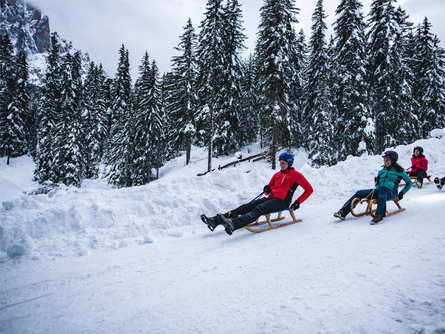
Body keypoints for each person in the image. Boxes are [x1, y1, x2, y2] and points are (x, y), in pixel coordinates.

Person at [201, 152, 313, 235]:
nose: (281, 165)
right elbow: (269, 186)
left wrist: (298, 202)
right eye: (280, 163)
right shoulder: (277, 175)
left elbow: (309, 189)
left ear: (290, 163)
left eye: (284, 163)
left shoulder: (296, 175)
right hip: (271, 199)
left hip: (282, 202)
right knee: (246, 206)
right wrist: (267, 188)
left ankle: (234, 224)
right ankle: (215, 221)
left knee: (259, 208)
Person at [333, 150, 412, 225]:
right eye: (384, 160)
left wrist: (401, 193)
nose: (385, 161)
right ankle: (343, 212)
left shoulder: (400, 171)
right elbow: (378, 184)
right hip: (380, 191)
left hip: (391, 192)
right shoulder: (382, 171)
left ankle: (379, 214)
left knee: (383, 188)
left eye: (388, 160)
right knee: (359, 193)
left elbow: (409, 183)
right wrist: (377, 184)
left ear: (393, 160)